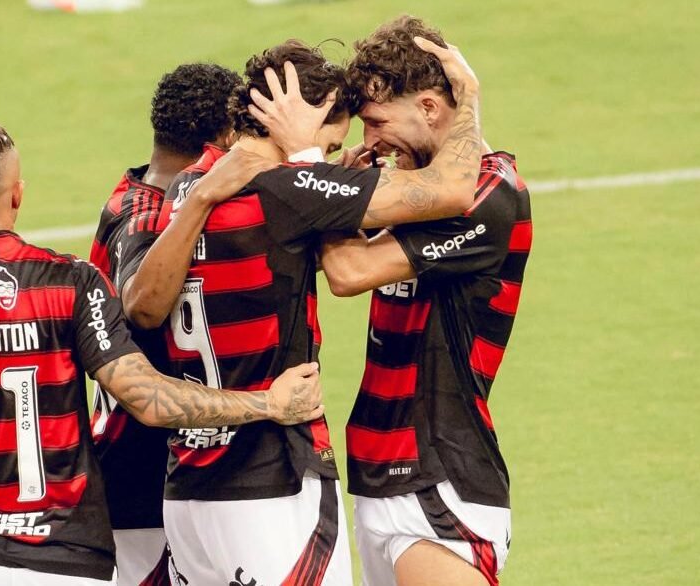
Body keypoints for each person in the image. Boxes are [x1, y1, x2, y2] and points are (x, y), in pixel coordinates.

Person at [0, 120, 325, 585]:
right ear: (17, 195)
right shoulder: (72, 283)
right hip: (69, 562)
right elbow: (146, 399)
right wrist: (269, 403)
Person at [123, 36, 483, 586]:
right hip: (273, 481)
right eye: (333, 144)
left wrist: (329, 180)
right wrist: (469, 97)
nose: (339, 158)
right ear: (298, 122)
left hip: (190, 489)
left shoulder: (190, 188)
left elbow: (147, 306)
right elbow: (456, 189)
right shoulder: (290, 188)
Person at [252, 16, 532, 586]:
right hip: (381, 473)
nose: (370, 140)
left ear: (430, 108)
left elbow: (350, 271)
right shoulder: (413, 190)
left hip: (442, 476)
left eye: (378, 122)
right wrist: (335, 187)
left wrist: (311, 170)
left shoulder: (490, 194)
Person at [87, 62, 241, 585]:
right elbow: (142, 305)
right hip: (139, 477)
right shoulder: (148, 216)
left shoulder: (135, 195)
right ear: (222, 136)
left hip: (144, 467)